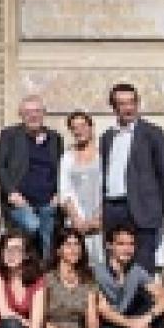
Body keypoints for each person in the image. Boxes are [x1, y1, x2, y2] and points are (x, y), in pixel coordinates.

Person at [100, 82, 164, 273]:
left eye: (131, 102)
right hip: (112, 207)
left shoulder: (153, 133)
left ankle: (144, 303)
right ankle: (117, 303)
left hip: (142, 209)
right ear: (114, 107)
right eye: (122, 104)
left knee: (142, 265)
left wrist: (156, 207)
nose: (128, 108)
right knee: (114, 264)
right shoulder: (107, 137)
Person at [0, 95, 64, 259]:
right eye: (28, 112)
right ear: (21, 114)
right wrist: (11, 192)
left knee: (48, 240)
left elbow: (60, 168)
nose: (33, 115)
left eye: (37, 111)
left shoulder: (55, 138)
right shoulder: (8, 135)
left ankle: (44, 274)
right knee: (32, 227)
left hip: (48, 201)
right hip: (20, 201)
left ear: (44, 113)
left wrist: (58, 193)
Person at [59, 111, 104, 265]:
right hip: (76, 221)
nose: (79, 130)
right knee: (78, 264)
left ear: (91, 127)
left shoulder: (103, 154)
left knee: (102, 264)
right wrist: (76, 219)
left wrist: (97, 218)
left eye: (83, 125)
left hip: (100, 221)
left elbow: (109, 188)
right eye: (74, 127)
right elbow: (65, 191)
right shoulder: (67, 157)